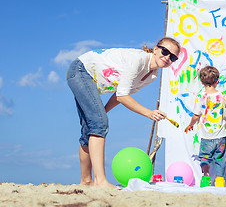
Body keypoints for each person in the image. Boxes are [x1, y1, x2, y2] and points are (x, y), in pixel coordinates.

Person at [66, 37, 181, 188]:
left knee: (92, 127)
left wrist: (102, 112)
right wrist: (149, 113)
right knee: (99, 125)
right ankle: (100, 181)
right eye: (165, 51)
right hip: (81, 70)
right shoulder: (138, 61)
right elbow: (122, 96)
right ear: (155, 49)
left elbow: (119, 95)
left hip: (87, 78)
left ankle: (86, 181)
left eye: (172, 57)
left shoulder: (152, 76)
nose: (167, 57)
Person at [184, 66, 226, 185]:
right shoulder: (223, 95)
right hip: (221, 136)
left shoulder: (200, 96)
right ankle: (220, 180)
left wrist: (190, 124)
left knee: (204, 158)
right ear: (217, 80)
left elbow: (196, 115)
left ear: (201, 81)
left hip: (206, 136)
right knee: (220, 159)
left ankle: (206, 177)